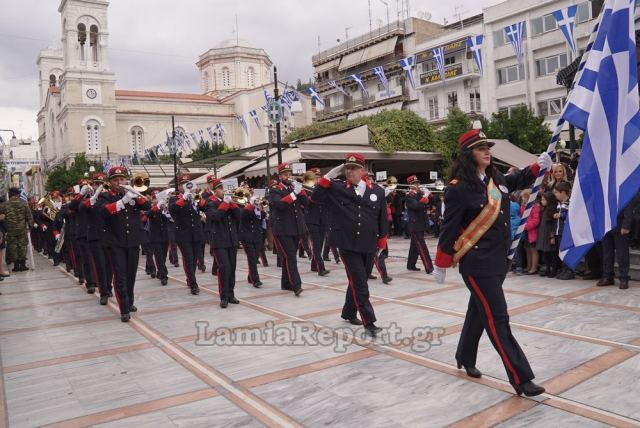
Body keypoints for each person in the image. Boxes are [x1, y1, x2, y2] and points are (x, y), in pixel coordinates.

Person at [433, 129, 551, 397]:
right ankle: (521, 379)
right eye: (480, 148)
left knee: (478, 310)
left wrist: (536, 166)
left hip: (499, 260)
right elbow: (448, 227)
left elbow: (517, 178)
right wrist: (441, 263)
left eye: (487, 147)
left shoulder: (494, 177)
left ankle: (464, 355)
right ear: (468, 155)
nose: (487, 151)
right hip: (477, 264)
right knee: (498, 317)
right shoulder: (458, 189)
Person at [313, 153, 388, 336]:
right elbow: (315, 198)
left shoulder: (376, 190)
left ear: (362, 170)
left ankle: (348, 312)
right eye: (347, 168)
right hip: (347, 244)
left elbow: (382, 216)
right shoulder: (336, 187)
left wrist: (382, 239)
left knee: (356, 280)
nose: (349, 171)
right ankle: (369, 322)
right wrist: (326, 178)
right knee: (361, 283)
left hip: (369, 242)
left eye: (353, 168)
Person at [97, 167, 150, 322]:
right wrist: (122, 202)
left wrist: (136, 195)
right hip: (115, 242)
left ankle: (130, 301)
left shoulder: (130, 193)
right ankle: (124, 308)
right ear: (110, 182)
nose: (119, 182)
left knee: (131, 275)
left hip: (133, 241)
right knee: (120, 276)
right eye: (115, 180)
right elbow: (103, 212)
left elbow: (147, 207)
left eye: (122, 179)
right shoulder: (105, 196)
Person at [268, 163, 308, 296]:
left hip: (295, 228)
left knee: (288, 257)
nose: (288, 176)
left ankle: (285, 283)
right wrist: (294, 193)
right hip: (282, 229)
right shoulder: (275, 190)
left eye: (289, 173)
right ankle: (296, 285)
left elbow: (306, 204)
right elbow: (279, 205)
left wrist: (301, 191)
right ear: (280, 176)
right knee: (291, 257)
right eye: (285, 174)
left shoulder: (293, 188)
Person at [205, 179, 242, 307]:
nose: (224, 191)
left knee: (232, 268)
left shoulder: (229, 202)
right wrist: (225, 204)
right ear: (215, 190)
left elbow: (239, 217)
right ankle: (224, 296)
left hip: (232, 240)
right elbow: (215, 217)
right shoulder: (210, 202)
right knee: (224, 267)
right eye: (221, 188)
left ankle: (231, 294)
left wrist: (233, 204)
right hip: (219, 240)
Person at [597, 190, 640, 289]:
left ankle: (624, 278)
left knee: (622, 254)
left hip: (620, 226)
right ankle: (608, 276)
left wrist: (626, 225)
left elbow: (628, 208)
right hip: (606, 226)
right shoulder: (603, 186)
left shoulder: (621, 188)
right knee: (607, 253)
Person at [169, 174, 205, 295]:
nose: (185, 186)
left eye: (187, 183)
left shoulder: (194, 197)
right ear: (179, 187)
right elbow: (172, 210)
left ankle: (190, 277)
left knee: (194, 259)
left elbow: (204, 207)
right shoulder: (175, 198)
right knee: (188, 258)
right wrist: (183, 198)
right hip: (183, 233)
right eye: (182, 184)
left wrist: (197, 197)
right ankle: (193, 283)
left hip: (196, 232)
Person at [405, 175, 434, 273]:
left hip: (421, 223)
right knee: (422, 247)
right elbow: (417, 206)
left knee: (414, 246)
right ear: (410, 185)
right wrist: (425, 196)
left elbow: (433, 202)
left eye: (417, 183)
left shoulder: (420, 193)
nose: (417, 185)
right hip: (415, 225)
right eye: (414, 183)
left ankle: (410, 264)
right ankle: (429, 267)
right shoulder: (409, 196)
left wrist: (428, 194)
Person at [0, 188, 33, 272]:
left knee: (13, 247)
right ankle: (23, 265)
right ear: (18, 194)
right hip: (22, 229)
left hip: (10, 229)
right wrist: (30, 226)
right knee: (22, 246)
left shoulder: (4, 205)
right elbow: (29, 217)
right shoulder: (24, 204)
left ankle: (16, 266)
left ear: (10, 194)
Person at [551, 182, 573, 279]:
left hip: (566, 232)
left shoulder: (570, 203)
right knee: (560, 252)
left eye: (556, 192)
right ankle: (563, 270)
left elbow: (572, 215)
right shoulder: (558, 204)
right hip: (558, 232)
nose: (555, 194)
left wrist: (562, 215)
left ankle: (569, 271)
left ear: (563, 192)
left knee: (566, 252)